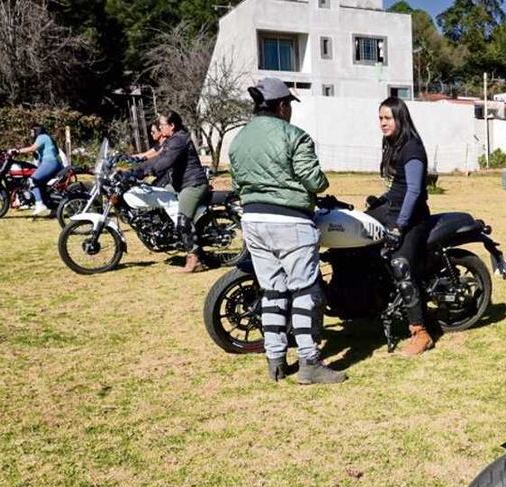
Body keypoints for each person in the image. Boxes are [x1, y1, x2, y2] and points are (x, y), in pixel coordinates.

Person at [228, 78, 346, 385]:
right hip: (291, 222)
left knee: (272, 291)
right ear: (282, 106)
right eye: (289, 105)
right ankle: (309, 362)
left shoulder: (239, 139)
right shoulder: (295, 136)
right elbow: (314, 181)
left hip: (253, 221)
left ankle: (276, 360)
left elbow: (237, 185)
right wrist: (319, 181)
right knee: (303, 291)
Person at [368, 97, 434, 356]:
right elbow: (398, 186)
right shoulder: (392, 144)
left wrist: (399, 228)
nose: (383, 123)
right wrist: (379, 202)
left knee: (400, 264)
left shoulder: (412, 148)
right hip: (392, 209)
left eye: (387, 118)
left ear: (399, 119)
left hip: (412, 217)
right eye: (380, 118)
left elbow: (414, 191)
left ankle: (420, 331)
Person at [130, 111, 210, 272]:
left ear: (172, 125)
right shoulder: (172, 140)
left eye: (162, 125)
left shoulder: (179, 139)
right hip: (179, 183)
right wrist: (133, 170)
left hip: (192, 184)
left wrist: (141, 172)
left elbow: (165, 161)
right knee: (153, 193)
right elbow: (156, 157)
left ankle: (195, 261)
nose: (159, 128)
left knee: (183, 220)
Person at [10, 124, 62, 216]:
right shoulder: (47, 137)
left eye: (32, 131)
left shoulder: (42, 137)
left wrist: (17, 151)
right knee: (42, 185)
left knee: (31, 181)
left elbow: (32, 148)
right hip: (53, 163)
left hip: (49, 163)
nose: (31, 134)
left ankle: (39, 204)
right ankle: (54, 208)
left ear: (37, 131)